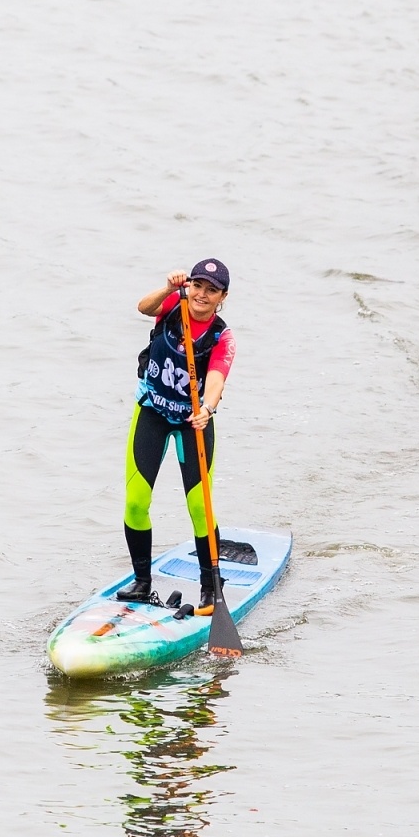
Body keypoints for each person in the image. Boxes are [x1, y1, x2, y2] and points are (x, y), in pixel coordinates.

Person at [115, 259, 235, 614]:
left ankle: (210, 588)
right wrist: (169, 288)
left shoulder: (222, 338)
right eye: (197, 286)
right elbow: (143, 307)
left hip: (192, 423)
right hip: (151, 412)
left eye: (211, 290)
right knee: (136, 502)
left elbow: (216, 378)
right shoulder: (173, 304)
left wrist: (207, 408)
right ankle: (141, 582)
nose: (202, 294)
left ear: (222, 297)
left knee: (199, 506)